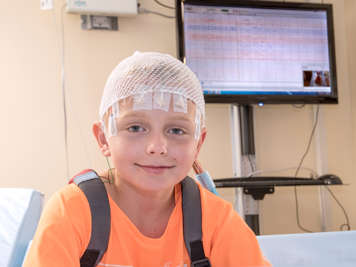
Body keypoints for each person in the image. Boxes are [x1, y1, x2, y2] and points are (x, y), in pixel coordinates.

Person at [23, 52, 270, 267]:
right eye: (135, 128)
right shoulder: (72, 211)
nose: (157, 147)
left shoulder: (215, 220)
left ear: (198, 143)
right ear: (103, 138)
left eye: (176, 131)